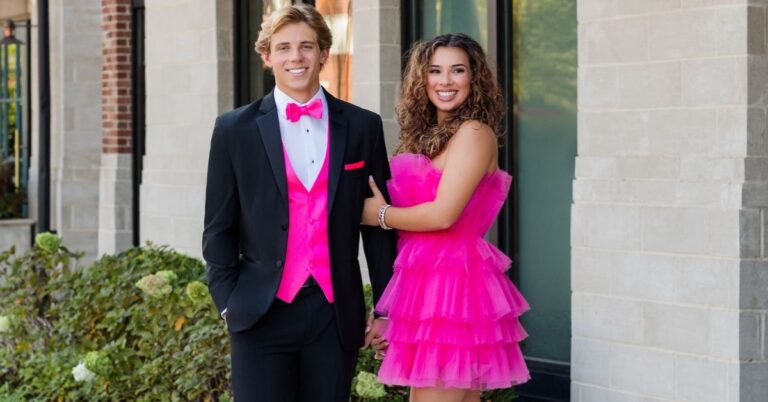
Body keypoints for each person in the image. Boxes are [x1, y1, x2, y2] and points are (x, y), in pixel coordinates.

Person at [202, 4, 396, 401]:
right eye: (285, 47)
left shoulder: (363, 126)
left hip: (333, 312)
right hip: (260, 313)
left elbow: (377, 226)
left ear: (324, 53)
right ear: (267, 55)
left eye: (306, 46)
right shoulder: (233, 130)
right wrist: (228, 305)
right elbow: (218, 228)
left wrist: (385, 308)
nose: (296, 57)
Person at [361, 33, 530, 402]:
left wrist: (382, 215)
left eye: (458, 70)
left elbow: (443, 215)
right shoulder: (423, 137)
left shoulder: (474, 133)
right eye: (435, 71)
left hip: (453, 285)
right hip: (422, 284)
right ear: (422, 79)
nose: (446, 81)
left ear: (474, 78)